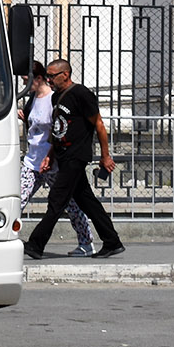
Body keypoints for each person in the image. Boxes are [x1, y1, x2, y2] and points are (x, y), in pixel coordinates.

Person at [23, 58, 125, 260]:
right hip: (62, 156)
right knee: (87, 202)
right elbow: (56, 130)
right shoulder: (56, 97)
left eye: (52, 76)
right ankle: (112, 241)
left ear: (65, 75)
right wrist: (50, 156)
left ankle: (35, 245)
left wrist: (105, 156)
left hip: (76, 157)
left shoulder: (81, 94)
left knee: (56, 200)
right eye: (48, 76)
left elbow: (100, 125)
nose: (49, 80)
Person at [17, 63, 94, 257]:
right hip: (32, 161)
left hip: (52, 162)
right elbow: (32, 124)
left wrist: (51, 155)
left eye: (27, 81)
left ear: (39, 78)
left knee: (72, 205)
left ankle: (86, 242)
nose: (24, 85)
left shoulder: (54, 99)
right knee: (17, 200)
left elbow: (59, 129)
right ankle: (5, 239)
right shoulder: (32, 99)